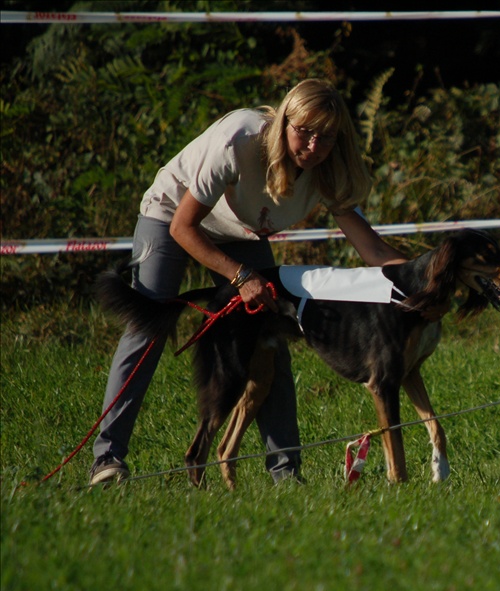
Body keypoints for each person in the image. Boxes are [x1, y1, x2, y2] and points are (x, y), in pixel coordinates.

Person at [90, 79, 407, 485]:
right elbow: (184, 227)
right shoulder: (239, 141)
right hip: (171, 216)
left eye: (326, 137)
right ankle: (108, 459)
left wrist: (426, 279)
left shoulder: (328, 172)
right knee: (147, 330)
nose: (313, 146)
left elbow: (374, 251)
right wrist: (240, 276)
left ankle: (286, 475)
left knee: (271, 335)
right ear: (285, 122)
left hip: (238, 231)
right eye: (304, 132)